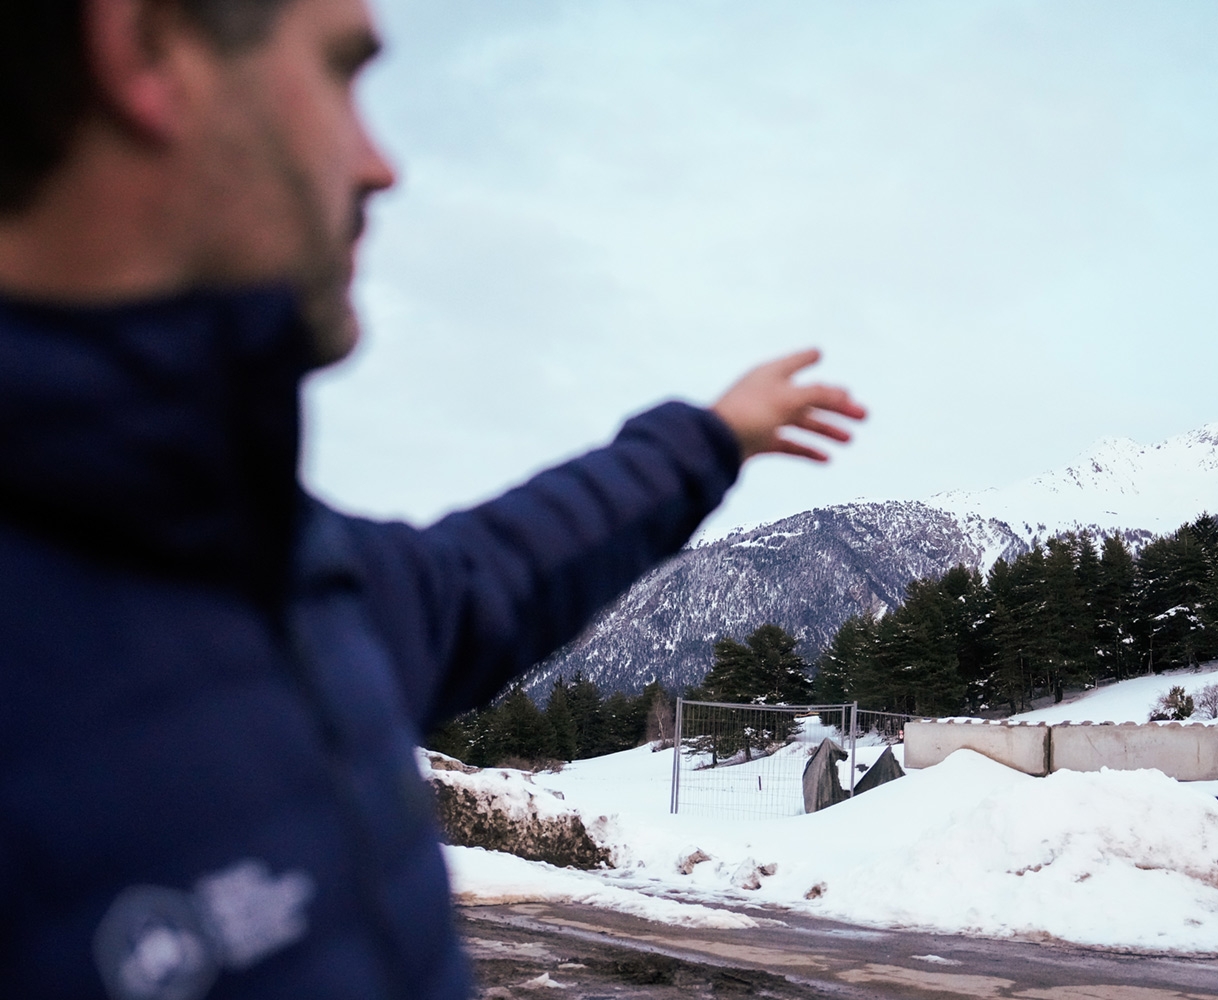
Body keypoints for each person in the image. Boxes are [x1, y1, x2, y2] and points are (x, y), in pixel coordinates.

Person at [0, 0, 865, 997]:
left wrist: (708, 441)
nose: (383, 165)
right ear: (148, 50)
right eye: (341, 71)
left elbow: (499, 568)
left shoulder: (285, 579)